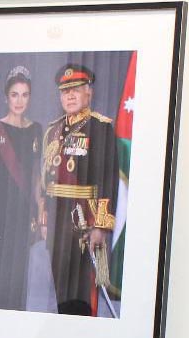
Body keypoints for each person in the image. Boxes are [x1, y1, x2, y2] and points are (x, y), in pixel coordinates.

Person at [41, 63, 119, 316]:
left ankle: (82, 333)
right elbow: (45, 179)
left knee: (82, 289)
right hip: (57, 220)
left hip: (85, 218)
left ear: (89, 93)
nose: (70, 96)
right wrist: (44, 218)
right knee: (61, 286)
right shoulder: (53, 130)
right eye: (65, 91)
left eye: (76, 89)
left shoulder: (100, 127)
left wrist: (101, 225)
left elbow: (108, 178)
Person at [0, 66, 44, 311]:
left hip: (24, 213)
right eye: (14, 94)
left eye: (25, 95)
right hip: (1, 211)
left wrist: (40, 213)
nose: (19, 101)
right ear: (6, 97)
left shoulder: (36, 130)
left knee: (17, 273)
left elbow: (36, 177)